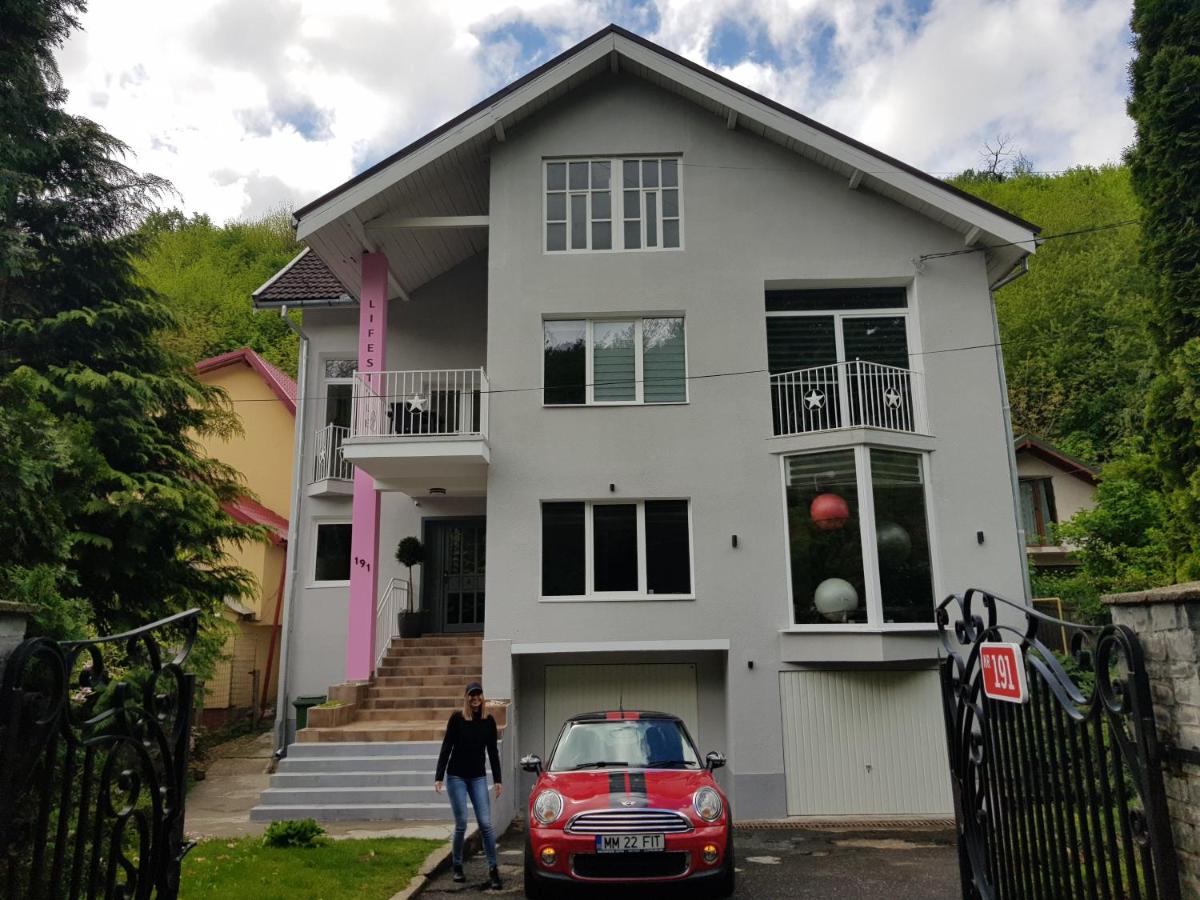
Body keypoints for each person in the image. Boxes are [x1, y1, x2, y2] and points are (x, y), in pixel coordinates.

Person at [435, 681, 503, 888]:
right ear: (466, 698)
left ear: (482, 697)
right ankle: (457, 866)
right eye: (471, 695)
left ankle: (493, 869)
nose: (475, 699)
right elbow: (447, 746)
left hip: (478, 778)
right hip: (456, 776)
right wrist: (439, 776)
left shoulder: (488, 722)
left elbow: (492, 752)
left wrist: (498, 780)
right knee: (462, 823)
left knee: (485, 824)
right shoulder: (457, 719)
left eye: (478, 695)